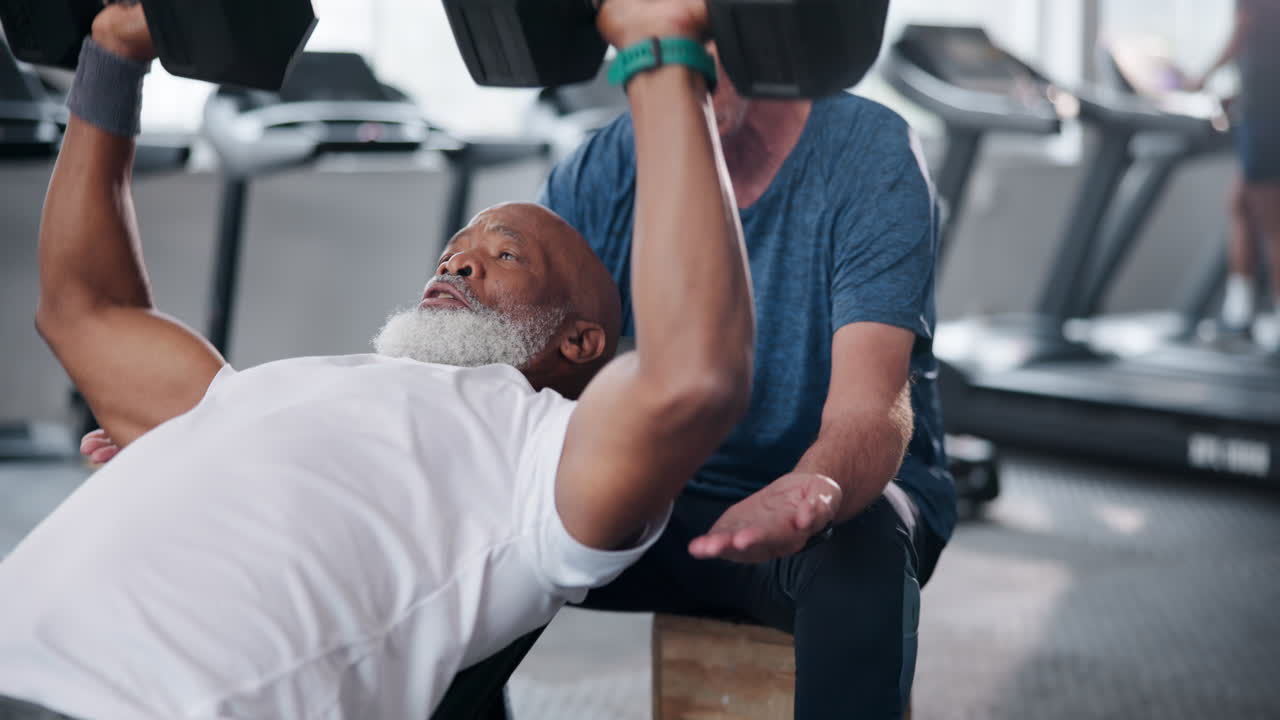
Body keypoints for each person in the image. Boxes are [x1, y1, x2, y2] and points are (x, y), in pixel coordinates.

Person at [0, 0, 760, 717]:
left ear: (580, 343)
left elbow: (689, 376)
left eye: (505, 255)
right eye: (452, 253)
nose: (456, 267)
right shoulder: (264, 390)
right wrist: (112, 55)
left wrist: (660, 50)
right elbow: (85, 309)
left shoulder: (543, 459)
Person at [540, 35, 953, 720]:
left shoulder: (867, 150)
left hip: (832, 500)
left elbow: (873, 408)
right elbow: (532, 377)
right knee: (455, 529)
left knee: (864, 551)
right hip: (660, 502)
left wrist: (815, 486)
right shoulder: (603, 168)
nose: (688, 64)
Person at [1192, 0, 1280, 345]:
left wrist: (1200, 77)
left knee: (1273, 221)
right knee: (1241, 204)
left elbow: (1244, 30)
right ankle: (1239, 314)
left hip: (1267, 115)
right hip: (1260, 105)